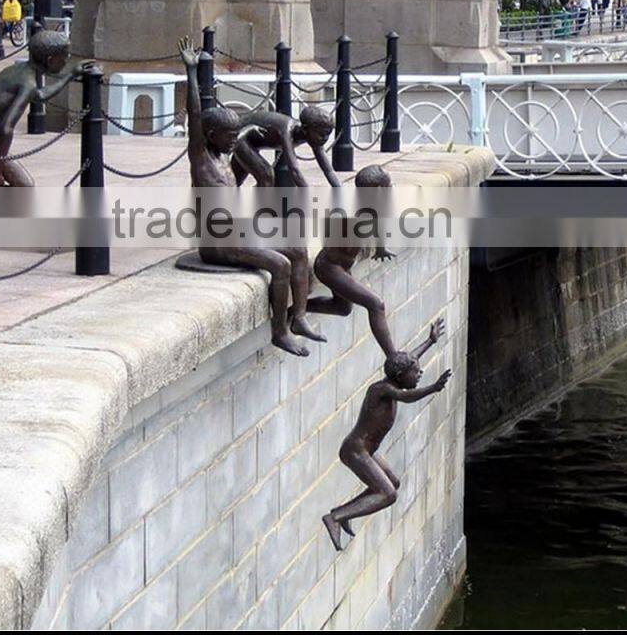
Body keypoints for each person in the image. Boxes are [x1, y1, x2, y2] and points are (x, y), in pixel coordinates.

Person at [178, 36, 324, 357]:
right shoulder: (201, 158)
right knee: (280, 264)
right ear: (210, 135)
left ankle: (298, 316)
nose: (234, 143)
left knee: (298, 249)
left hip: (237, 231)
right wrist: (191, 72)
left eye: (236, 137)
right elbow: (195, 113)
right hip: (218, 244)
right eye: (228, 138)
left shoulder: (225, 159)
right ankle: (279, 332)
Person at [0, 30, 93, 278]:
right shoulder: (27, 80)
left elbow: (39, 96)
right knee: (23, 183)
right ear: (49, 60)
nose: (65, 61)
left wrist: (69, 75)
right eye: (63, 57)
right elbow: (6, 128)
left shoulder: (21, 71)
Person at [322, 327, 451, 551]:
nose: (420, 374)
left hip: (367, 451)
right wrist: (432, 388)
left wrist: (429, 342)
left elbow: (410, 358)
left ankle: (344, 513)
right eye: (416, 373)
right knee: (388, 494)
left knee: (393, 483)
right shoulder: (382, 390)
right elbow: (406, 396)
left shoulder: (396, 377)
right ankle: (335, 517)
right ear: (401, 377)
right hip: (355, 452)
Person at [307, 165, 397, 357]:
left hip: (342, 266)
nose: (391, 190)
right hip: (329, 267)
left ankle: (297, 310)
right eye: (387, 187)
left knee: (343, 308)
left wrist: (380, 249)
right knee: (376, 304)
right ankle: (392, 356)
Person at [232, 106, 341, 188]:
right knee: (266, 175)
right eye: (322, 134)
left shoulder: (314, 137)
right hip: (242, 135)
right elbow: (294, 171)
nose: (325, 138)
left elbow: (328, 171)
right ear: (305, 129)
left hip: (251, 142)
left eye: (328, 134)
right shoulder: (287, 130)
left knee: (233, 182)